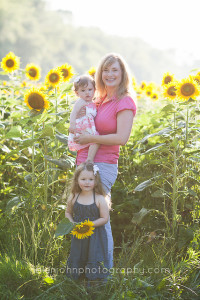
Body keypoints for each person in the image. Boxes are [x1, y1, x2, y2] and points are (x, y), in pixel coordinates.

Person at [73, 53, 137, 268]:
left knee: (99, 216)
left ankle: (101, 273)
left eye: (114, 70)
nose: (109, 74)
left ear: (122, 74)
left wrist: (91, 138)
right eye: (106, 70)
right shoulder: (97, 98)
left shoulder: (124, 101)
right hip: (83, 163)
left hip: (104, 165)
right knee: (82, 214)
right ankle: (82, 269)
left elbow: (122, 138)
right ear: (100, 74)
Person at [65, 162, 111, 281]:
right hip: (79, 233)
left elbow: (104, 218)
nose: (87, 182)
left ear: (96, 181)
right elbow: (68, 212)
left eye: (91, 179)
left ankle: (94, 282)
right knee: (78, 254)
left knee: (94, 255)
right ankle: (77, 280)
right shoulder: (74, 196)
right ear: (77, 180)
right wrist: (71, 223)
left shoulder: (100, 198)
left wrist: (89, 224)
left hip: (95, 235)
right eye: (83, 179)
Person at [68, 74, 99, 161]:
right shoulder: (81, 101)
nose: (87, 92)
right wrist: (72, 124)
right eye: (83, 90)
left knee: (96, 139)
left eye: (90, 89)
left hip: (89, 128)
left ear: (94, 90)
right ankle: (88, 158)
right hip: (82, 127)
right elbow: (73, 113)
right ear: (77, 93)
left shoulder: (93, 103)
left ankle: (89, 158)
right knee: (95, 139)